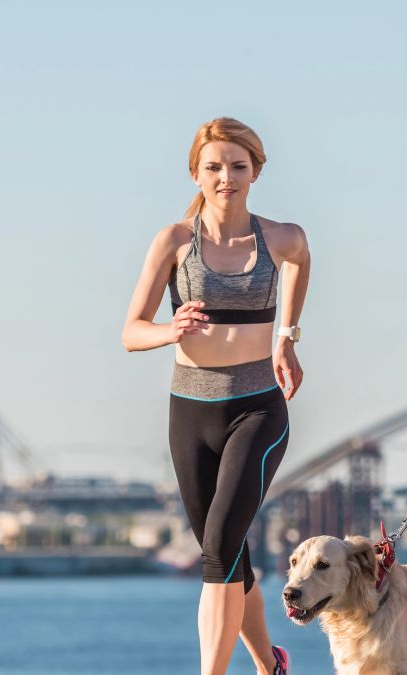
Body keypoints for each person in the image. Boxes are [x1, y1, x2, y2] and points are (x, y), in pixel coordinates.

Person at [122, 117, 310, 675]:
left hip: (257, 407)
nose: (225, 177)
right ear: (195, 174)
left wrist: (287, 339)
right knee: (228, 554)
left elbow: (300, 263)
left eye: (237, 166)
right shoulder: (175, 242)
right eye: (213, 167)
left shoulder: (281, 237)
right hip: (190, 412)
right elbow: (131, 330)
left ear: (255, 171)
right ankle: (270, 663)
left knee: (219, 550)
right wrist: (169, 330)